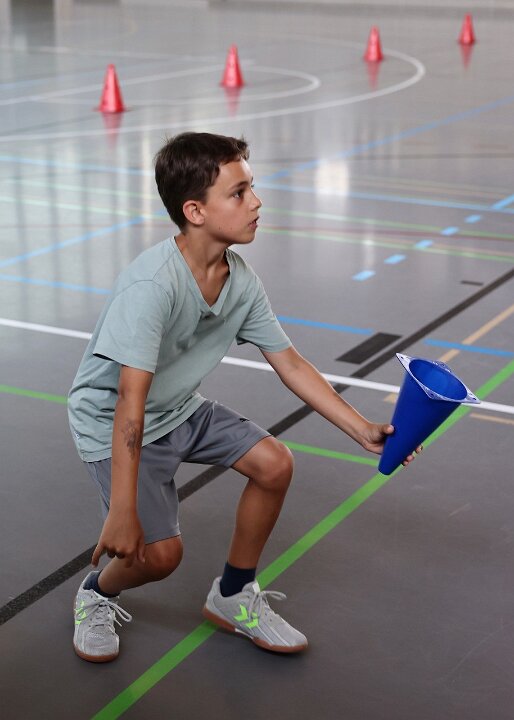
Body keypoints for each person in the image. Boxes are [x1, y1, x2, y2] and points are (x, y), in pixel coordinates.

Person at [68, 131, 419, 663]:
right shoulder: (152, 287)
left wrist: (362, 429)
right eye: (238, 193)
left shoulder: (241, 280)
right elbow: (129, 403)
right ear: (195, 211)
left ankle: (232, 594)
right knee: (160, 558)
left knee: (274, 464)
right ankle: (97, 592)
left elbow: (291, 363)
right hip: (113, 421)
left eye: (251, 187)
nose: (256, 202)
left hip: (178, 407)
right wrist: (121, 510)